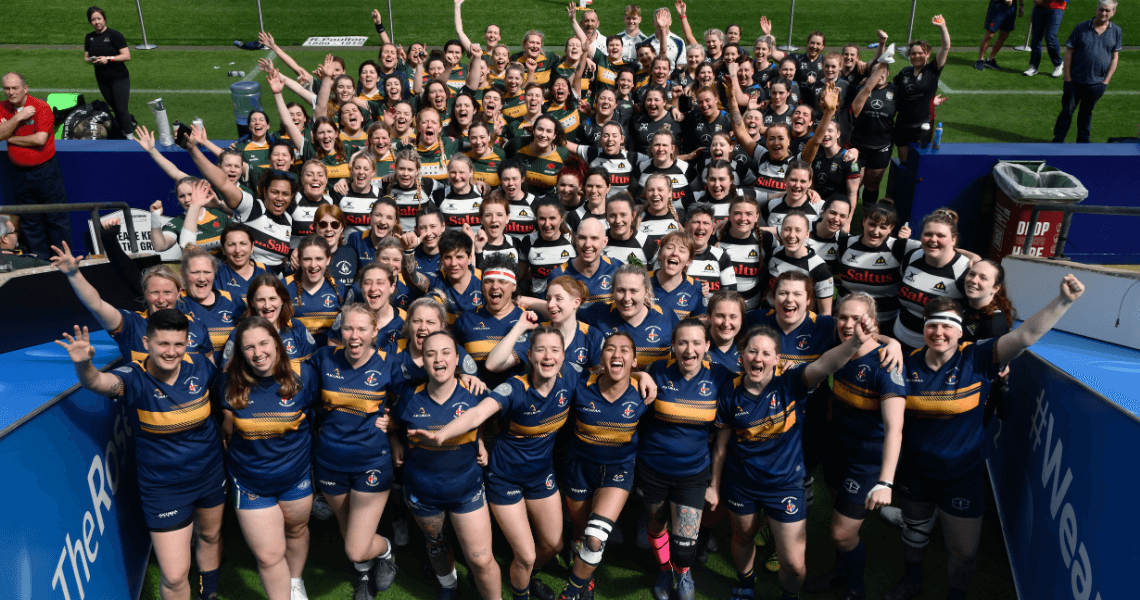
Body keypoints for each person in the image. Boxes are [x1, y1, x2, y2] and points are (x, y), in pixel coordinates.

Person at [883, 275, 1085, 600]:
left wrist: (1063, 301)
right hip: (915, 471)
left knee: (963, 554)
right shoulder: (905, 365)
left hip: (963, 476)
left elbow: (1025, 335)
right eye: (932, 325)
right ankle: (912, 580)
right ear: (924, 329)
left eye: (948, 325)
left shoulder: (977, 357)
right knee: (914, 533)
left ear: (960, 330)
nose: (939, 332)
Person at [57, 312, 225, 600]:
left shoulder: (200, 366)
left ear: (187, 343)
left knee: (210, 537)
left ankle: (205, 593)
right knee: (173, 576)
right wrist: (84, 364)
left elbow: (224, 399)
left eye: (178, 344)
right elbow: (97, 382)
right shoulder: (133, 377)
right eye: (163, 344)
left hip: (210, 475)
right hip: (164, 489)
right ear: (147, 342)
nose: (171, 352)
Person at [712, 311, 877, 600]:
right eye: (752, 351)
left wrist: (854, 344)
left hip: (785, 486)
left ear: (777, 359)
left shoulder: (791, 383)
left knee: (793, 564)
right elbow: (722, 446)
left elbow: (825, 364)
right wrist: (714, 485)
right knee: (743, 537)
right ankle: (746, 584)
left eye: (766, 353)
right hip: (741, 483)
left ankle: (789, 594)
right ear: (742, 354)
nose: (758, 358)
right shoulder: (729, 392)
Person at [416, 324, 579, 600]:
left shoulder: (572, 376)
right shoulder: (514, 387)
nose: (548, 357)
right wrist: (442, 433)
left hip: (542, 475)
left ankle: (525, 576)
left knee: (553, 545)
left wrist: (638, 375)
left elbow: (607, 377)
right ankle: (521, 593)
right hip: (505, 478)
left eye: (555, 350)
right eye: (541, 350)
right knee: (526, 555)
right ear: (529, 355)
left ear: (564, 356)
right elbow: (478, 413)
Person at [803, 293, 906, 600]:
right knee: (840, 516)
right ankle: (841, 572)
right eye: (843, 317)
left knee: (841, 533)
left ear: (871, 321)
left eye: (856, 318)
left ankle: (855, 587)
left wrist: (886, 481)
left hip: (866, 461)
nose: (848, 324)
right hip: (838, 449)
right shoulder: (840, 351)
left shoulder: (887, 363)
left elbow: (895, 429)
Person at [396, 332, 502, 600]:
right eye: (430, 354)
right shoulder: (409, 396)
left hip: (466, 491)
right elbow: (395, 424)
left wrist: (479, 440)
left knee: (480, 559)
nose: (438, 359)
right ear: (423, 361)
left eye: (446, 352)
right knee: (436, 546)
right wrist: (393, 441)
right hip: (422, 493)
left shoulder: (476, 392)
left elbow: (486, 421)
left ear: (457, 359)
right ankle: (448, 586)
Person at [220, 317, 319, 600]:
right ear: (240, 352)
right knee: (269, 556)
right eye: (248, 347)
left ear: (277, 343)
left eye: (264, 343)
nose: (258, 352)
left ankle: (296, 581)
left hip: (296, 476)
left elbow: (320, 412)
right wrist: (228, 413)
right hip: (251, 482)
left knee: (297, 530)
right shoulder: (227, 382)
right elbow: (223, 415)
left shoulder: (305, 375)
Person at [310, 304, 401, 600]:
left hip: (371, 461)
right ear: (340, 329)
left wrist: (394, 423)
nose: (354, 335)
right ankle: (363, 574)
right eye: (348, 328)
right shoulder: (323, 358)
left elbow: (413, 398)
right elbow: (300, 392)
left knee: (355, 544)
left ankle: (386, 550)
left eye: (363, 329)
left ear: (375, 332)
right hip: (329, 461)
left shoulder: (389, 363)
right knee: (347, 525)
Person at [641, 319, 736, 600]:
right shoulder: (657, 370)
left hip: (693, 473)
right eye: (682, 342)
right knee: (656, 524)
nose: (689, 349)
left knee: (685, 547)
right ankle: (664, 570)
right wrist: (639, 374)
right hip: (652, 469)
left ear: (707, 346)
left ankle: (683, 571)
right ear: (673, 346)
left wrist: (715, 484)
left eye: (696, 343)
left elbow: (722, 440)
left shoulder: (721, 377)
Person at [557, 331, 653, 600]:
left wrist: (644, 376)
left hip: (618, 472)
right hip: (579, 469)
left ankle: (575, 587)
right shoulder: (580, 383)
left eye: (625, 350)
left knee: (595, 536)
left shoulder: (644, 392)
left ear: (634, 361)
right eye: (610, 349)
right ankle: (581, 563)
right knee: (579, 530)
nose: (617, 354)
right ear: (601, 358)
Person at [52, 243, 215, 363]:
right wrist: (74, 275)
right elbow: (96, 304)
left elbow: (210, 369)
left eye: (167, 293)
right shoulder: (130, 324)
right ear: (145, 293)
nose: (161, 300)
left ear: (179, 293)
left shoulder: (197, 326)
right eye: (154, 293)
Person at [0, 72, 72, 260]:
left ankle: (63, 261)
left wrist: (9, 135)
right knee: (30, 220)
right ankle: (38, 262)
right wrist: (18, 118)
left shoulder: (40, 107)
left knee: (55, 217)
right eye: (6, 88)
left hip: (45, 172)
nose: (10, 92)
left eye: (15, 88)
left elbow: (40, 139)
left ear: (25, 89)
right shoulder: (2, 108)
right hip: (18, 173)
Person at [892, 210, 972, 351]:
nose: (933, 240)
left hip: (934, 353)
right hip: (897, 341)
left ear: (953, 240)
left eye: (941, 235)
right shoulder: (912, 256)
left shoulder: (966, 271)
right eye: (928, 234)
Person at [1052, 0, 1121, 143]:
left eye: (1108, 11)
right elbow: (1069, 52)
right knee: (1066, 112)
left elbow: (1115, 57)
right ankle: (1058, 140)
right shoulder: (1081, 28)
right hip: (1075, 81)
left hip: (1096, 83)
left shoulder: (1116, 31)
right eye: (1101, 9)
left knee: (1086, 114)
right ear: (1096, 9)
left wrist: (1105, 82)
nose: (1103, 13)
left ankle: (1083, 142)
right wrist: (1067, 78)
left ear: (1113, 12)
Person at [585, 264, 675, 368]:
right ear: (613, 291)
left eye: (633, 291)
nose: (627, 298)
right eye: (621, 290)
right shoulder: (597, 313)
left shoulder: (667, 316)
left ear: (646, 292)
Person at [223, 274, 319, 370]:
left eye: (272, 299)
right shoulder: (239, 334)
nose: (267, 306)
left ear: (282, 299)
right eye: (261, 300)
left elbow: (312, 369)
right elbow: (227, 374)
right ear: (252, 302)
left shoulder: (297, 328)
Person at [895, 18, 951, 164]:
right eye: (913, 53)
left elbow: (945, 47)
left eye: (920, 53)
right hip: (902, 125)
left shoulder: (932, 70)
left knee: (919, 163)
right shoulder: (904, 73)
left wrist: (942, 26)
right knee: (903, 162)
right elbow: (891, 89)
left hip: (922, 125)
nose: (916, 56)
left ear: (927, 54)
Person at [180, 244, 245, 365]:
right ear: (183, 273)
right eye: (195, 272)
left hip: (230, 377)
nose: (202, 278)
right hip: (192, 380)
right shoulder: (177, 303)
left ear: (214, 273)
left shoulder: (233, 300)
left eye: (207, 272)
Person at [544, 218, 621, 313]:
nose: (588, 244)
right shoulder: (558, 275)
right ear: (575, 240)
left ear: (604, 242)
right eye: (582, 238)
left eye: (594, 238)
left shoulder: (618, 268)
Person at [285, 235, 346, 346]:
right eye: (307, 259)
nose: (313, 265)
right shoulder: (284, 287)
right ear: (299, 260)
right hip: (298, 359)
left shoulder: (340, 289)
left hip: (329, 358)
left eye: (319, 259)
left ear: (328, 259)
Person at [83, 6, 135, 137]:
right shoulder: (89, 37)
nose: (97, 22)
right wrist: (92, 60)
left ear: (104, 19)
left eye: (99, 18)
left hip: (119, 77)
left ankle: (130, 138)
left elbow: (126, 55)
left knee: (122, 109)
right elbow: (86, 57)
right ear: (90, 22)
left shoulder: (114, 35)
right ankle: (124, 132)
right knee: (115, 108)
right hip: (102, 78)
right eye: (93, 20)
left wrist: (108, 59)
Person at [652, 231, 706, 323]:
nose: (675, 253)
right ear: (660, 253)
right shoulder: (641, 280)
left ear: (688, 261)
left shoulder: (696, 288)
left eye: (682, 250)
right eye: (669, 248)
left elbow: (701, 324)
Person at [216, 224, 272, 303]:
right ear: (223, 250)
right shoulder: (216, 273)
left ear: (252, 247)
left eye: (243, 244)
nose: (238, 250)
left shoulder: (264, 270)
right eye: (231, 244)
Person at [1023, 0, 1069, 77]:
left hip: (1057, 8)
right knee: (1036, 38)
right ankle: (1034, 66)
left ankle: (1058, 64)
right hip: (1039, 8)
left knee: (1050, 36)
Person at [977, 0, 1024, 71]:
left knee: (1004, 34)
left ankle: (990, 59)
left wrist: (1022, 5)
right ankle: (980, 59)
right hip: (998, 5)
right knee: (990, 34)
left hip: (1012, 7)